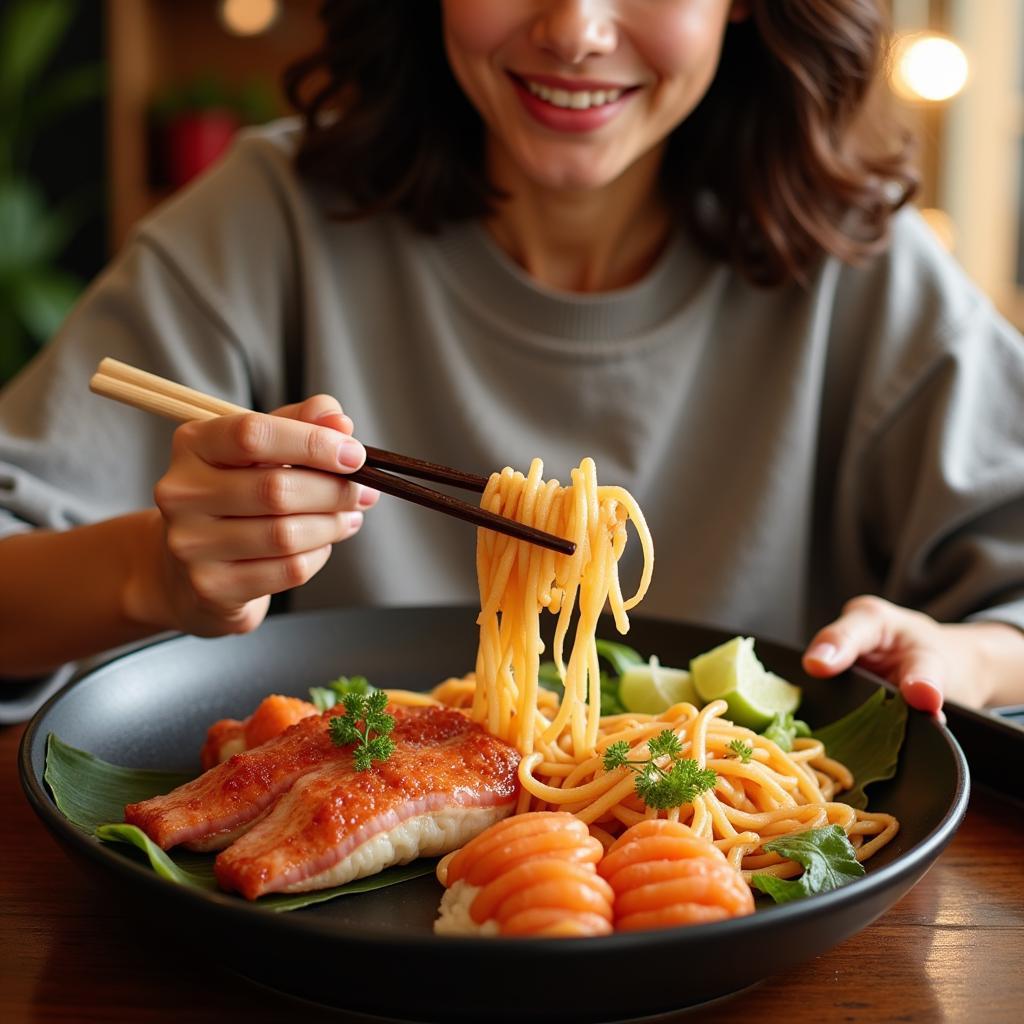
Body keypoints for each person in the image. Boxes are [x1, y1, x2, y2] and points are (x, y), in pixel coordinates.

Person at [1, 0, 1022, 724]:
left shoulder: (863, 269)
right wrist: (152, 573)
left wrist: (963, 657)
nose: (574, 27)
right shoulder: (269, 219)